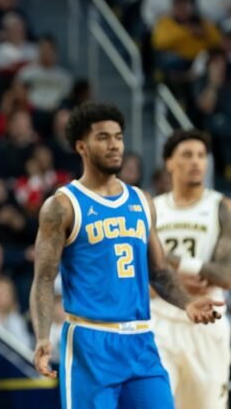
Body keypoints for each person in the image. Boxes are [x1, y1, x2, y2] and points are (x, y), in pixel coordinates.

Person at [29, 102, 223, 409]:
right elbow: (43, 279)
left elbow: (159, 271)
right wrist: (42, 336)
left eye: (118, 137)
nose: (114, 145)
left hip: (141, 340)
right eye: (103, 137)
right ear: (81, 146)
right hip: (91, 342)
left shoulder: (141, 200)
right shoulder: (63, 206)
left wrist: (187, 302)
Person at [151, 129, 231, 409]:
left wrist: (175, 262)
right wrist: (178, 283)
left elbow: (227, 275)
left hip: (207, 324)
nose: (196, 161)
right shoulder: (151, 209)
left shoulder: (222, 207)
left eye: (201, 155)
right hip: (159, 324)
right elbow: (136, 275)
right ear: (169, 163)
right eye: (187, 155)